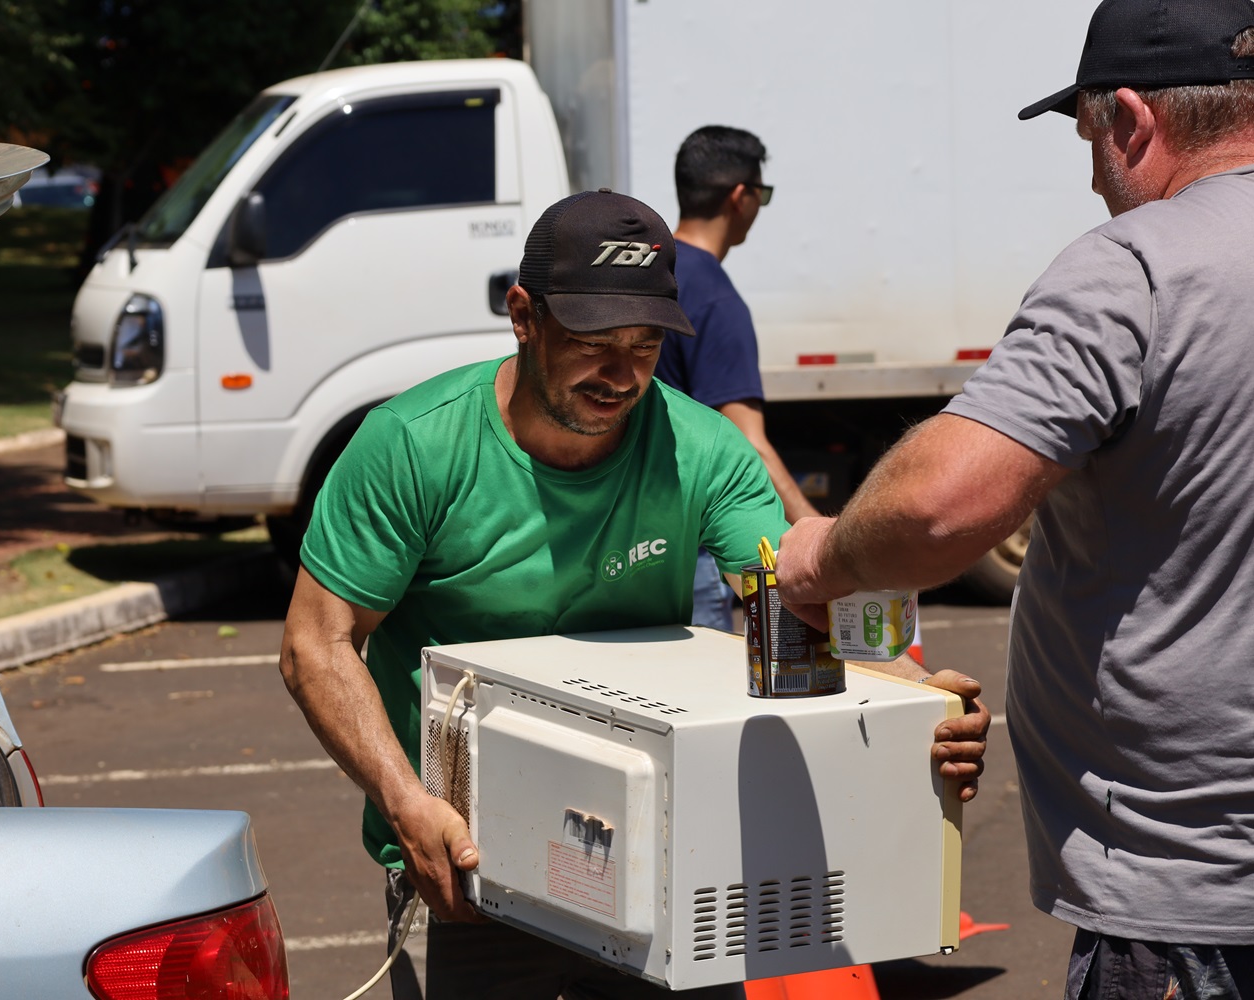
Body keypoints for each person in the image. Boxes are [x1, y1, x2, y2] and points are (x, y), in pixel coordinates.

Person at [280, 189, 990, 1000]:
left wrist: (912, 694)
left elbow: (788, 595)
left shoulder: (702, 450)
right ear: (523, 315)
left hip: (660, 868)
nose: (621, 376)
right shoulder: (413, 446)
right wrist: (405, 803)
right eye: (593, 343)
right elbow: (316, 644)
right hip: (463, 864)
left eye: (646, 346)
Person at [773, 1, 1254, 996]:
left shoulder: (1136, 269)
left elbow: (938, 509)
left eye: (1088, 138)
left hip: (1190, 897)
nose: (1091, 173)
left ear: (1130, 121)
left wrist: (819, 556)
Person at [656, 125, 821, 631]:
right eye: (762, 194)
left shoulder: (646, 275)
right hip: (699, 550)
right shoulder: (716, 300)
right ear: (741, 196)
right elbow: (749, 444)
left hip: (636, 545)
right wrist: (814, 530)